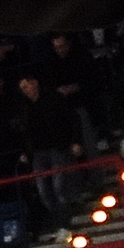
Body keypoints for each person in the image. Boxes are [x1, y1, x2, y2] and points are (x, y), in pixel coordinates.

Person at [17, 73, 83, 237]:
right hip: (39, 152)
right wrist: (26, 151)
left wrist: (75, 141)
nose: (25, 91)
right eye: (22, 89)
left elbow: (72, 119)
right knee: (44, 191)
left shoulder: (53, 98)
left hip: (58, 148)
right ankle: (59, 223)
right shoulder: (25, 108)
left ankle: (64, 224)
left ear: (34, 83)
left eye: (26, 86)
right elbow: (25, 132)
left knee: (59, 187)